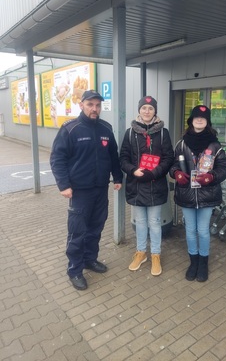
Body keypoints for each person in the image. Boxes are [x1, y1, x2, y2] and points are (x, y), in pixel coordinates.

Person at [50, 90, 123, 290]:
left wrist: (117, 177)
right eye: (90, 104)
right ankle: (74, 269)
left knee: (96, 228)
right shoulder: (70, 129)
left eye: (98, 105)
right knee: (77, 232)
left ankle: (90, 259)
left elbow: (113, 157)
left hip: (100, 189)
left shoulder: (106, 129)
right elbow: (57, 158)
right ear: (81, 104)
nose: (95, 109)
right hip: (79, 192)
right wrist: (63, 185)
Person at [169, 105, 226, 282]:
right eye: (196, 117)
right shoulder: (182, 143)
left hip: (207, 195)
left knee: (202, 231)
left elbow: (223, 169)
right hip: (187, 193)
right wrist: (176, 174)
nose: (199, 120)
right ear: (191, 120)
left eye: (203, 117)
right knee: (190, 230)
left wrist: (211, 177)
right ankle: (193, 262)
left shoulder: (215, 145)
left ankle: (203, 263)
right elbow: (173, 166)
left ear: (207, 121)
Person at [120, 96, 174, 276]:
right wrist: (133, 170)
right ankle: (141, 252)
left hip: (155, 184)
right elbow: (123, 158)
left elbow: (168, 158)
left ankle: (156, 254)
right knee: (141, 222)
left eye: (150, 108)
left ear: (155, 111)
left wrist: (155, 173)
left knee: (155, 222)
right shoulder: (130, 133)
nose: (147, 111)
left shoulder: (163, 133)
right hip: (136, 184)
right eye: (144, 108)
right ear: (139, 110)